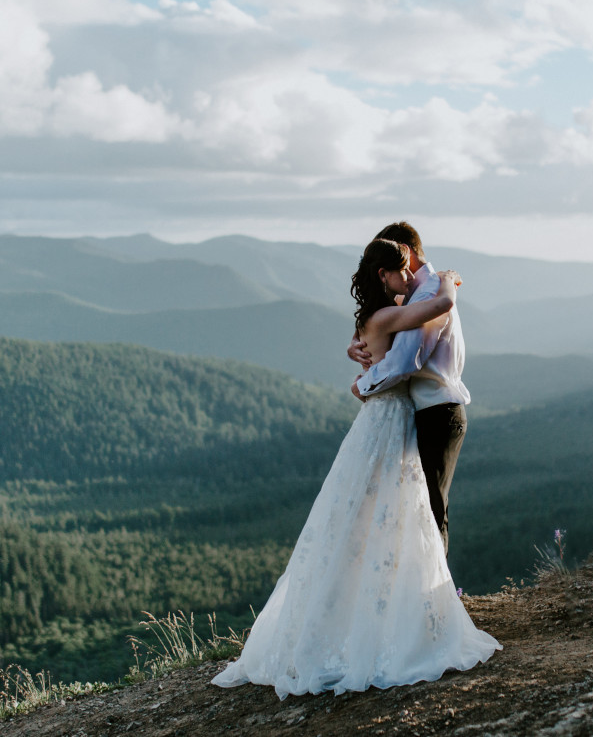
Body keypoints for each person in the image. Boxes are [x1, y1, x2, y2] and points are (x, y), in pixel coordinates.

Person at [211, 238, 499, 698]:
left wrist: (361, 369)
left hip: (389, 421)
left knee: (378, 516)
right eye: (397, 275)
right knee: (405, 515)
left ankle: (382, 615)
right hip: (395, 417)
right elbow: (427, 326)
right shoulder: (398, 310)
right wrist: (447, 279)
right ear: (388, 273)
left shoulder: (376, 316)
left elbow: (390, 339)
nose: (402, 282)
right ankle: (413, 620)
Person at [348, 222, 468, 555]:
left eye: (400, 264)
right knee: (415, 506)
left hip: (436, 409)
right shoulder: (415, 293)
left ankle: (433, 597)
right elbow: (382, 329)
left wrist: (363, 384)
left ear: (409, 254)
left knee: (429, 509)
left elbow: (404, 362)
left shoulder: (428, 291)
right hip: (421, 410)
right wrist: (356, 345)